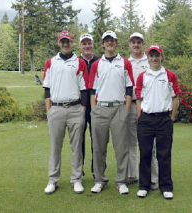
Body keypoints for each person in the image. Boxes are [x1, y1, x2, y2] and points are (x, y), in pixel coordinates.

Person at [43, 31, 89, 194]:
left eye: (67, 41)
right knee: (55, 147)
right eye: (62, 41)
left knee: (76, 147)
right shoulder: (51, 62)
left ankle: (77, 179)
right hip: (56, 109)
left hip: (76, 109)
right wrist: (49, 110)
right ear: (59, 43)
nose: (65, 44)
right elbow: (47, 89)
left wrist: (82, 110)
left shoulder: (79, 62)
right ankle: (53, 180)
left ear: (72, 42)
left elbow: (84, 89)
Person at [89, 30, 134, 194]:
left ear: (116, 43)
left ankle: (122, 181)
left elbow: (129, 88)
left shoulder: (125, 63)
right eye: (106, 40)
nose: (109, 43)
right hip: (100, 108)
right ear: (102, 44)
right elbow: (92, 90)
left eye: (112, 40)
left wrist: (126, 110)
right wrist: (94, 111)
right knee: (99, 147)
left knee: (121, 147)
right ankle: (100, 180)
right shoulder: (96, 64)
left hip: (119, 108)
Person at [135, 44, 181, 199]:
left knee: (164, 154)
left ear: (162, 57)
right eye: (151, 55)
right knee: (145, 154)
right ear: (147, 58)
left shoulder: (170, 75)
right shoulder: (142, 76)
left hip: (164, 119)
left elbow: (175, 98)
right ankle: (144, 186)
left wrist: (172, 118)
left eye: (157, 55)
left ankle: (166, 187)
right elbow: (139, 99)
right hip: (146, 119)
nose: (154, 58)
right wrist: (140, 117)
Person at [127, 32, 159, 190]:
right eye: (133, 42)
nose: (136, 45)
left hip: (148, 107)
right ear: (129, 45)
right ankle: (133, 175)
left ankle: (153, 178)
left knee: (149, 144)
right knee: (130, 142)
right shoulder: (125, 62)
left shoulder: (151, 62)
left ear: (143, 44)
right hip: (131, 105)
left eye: (139, 42)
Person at [79, 33, 99, 176]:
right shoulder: (75, 61)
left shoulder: (100, 61)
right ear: (80, 46)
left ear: (93, 45)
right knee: (79, 140)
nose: (87, 46)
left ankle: (96, 169)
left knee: (97, 140)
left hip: (96, 105)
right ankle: (79, 169)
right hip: (78, 105)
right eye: (84, 44)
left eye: (89, 43)